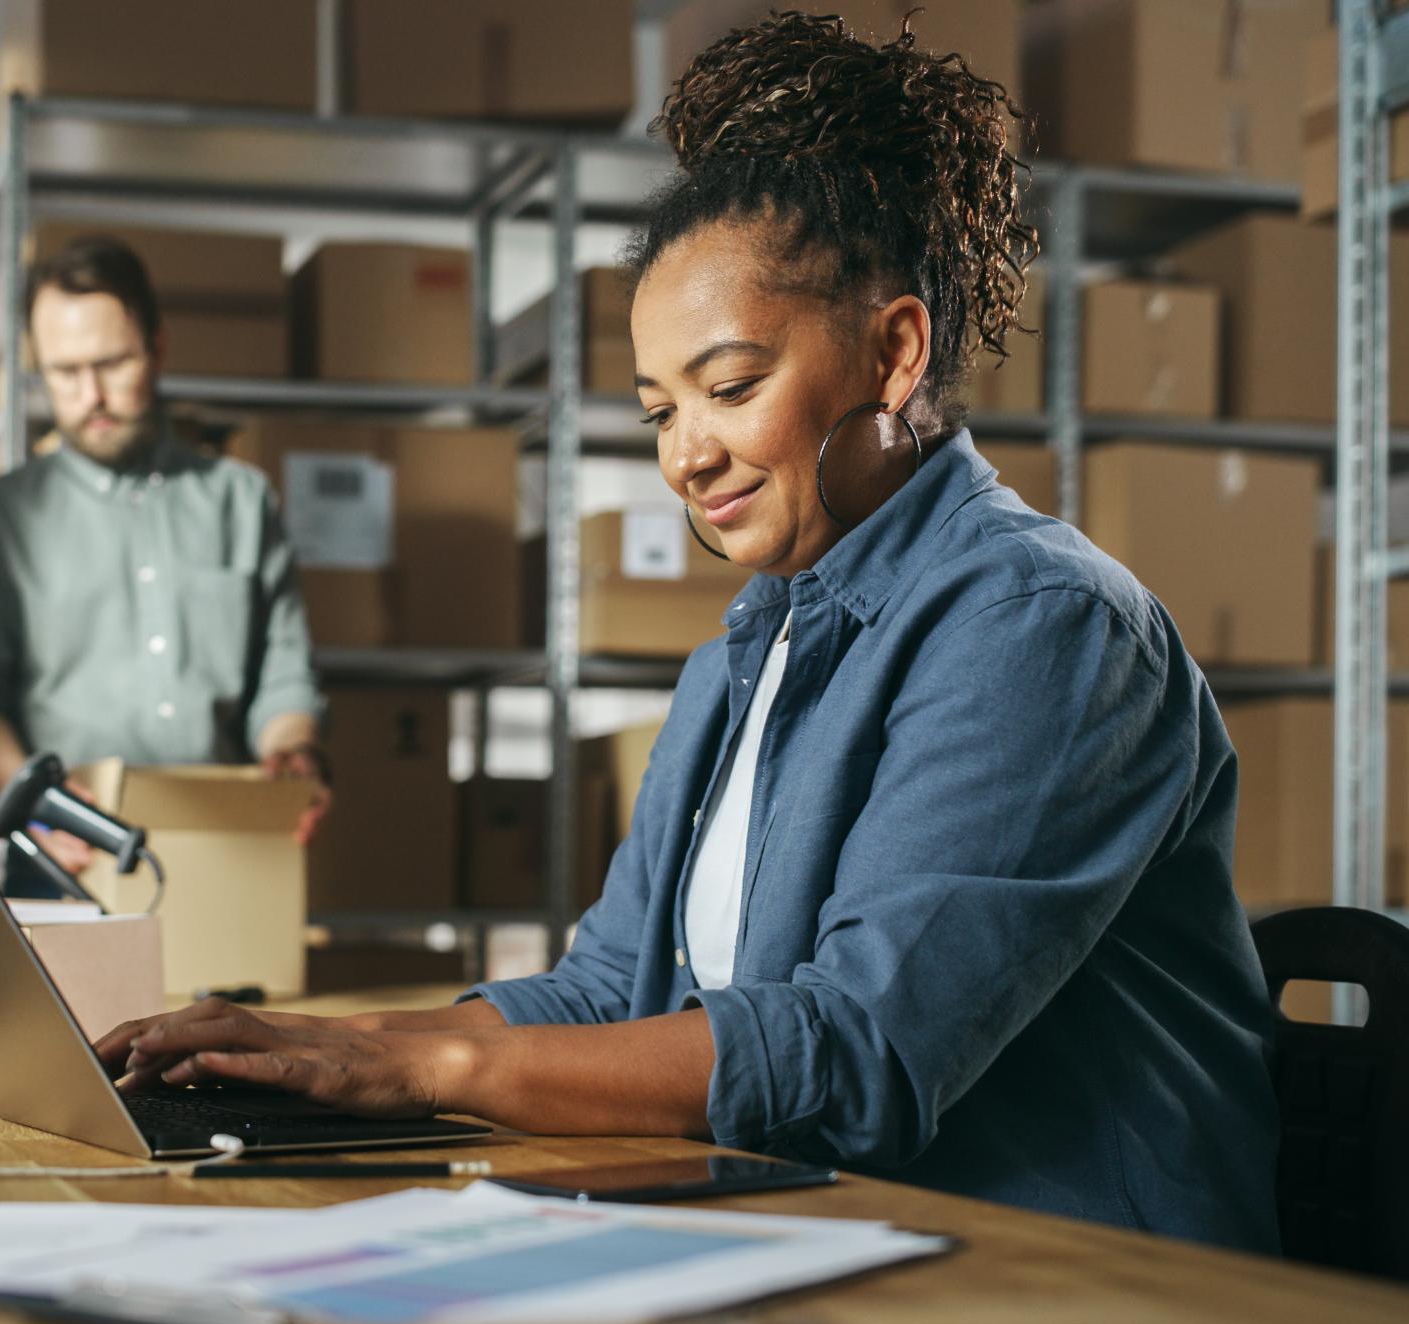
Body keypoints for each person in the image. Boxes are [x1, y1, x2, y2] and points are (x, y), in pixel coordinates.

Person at [94, 13, 1281, 1252]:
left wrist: (422, 1071)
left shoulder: (1044, 626)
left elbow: (855, 1052)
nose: (683, 454)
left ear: (893, 351)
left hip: (1078, 1285)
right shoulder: (742, 652)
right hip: (841, 1238)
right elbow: (611, 990)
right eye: (658, 410)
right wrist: (320, 1045)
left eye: (727, 388)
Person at [0, 236, 328, 895]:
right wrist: (32, 792)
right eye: (64, 372)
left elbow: (285, 678)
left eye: (112, 363)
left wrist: (293, 750)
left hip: (227, 854)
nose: (91, 395)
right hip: (67, 857)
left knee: (240, 1002)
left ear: (158, 348)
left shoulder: (242, 500)